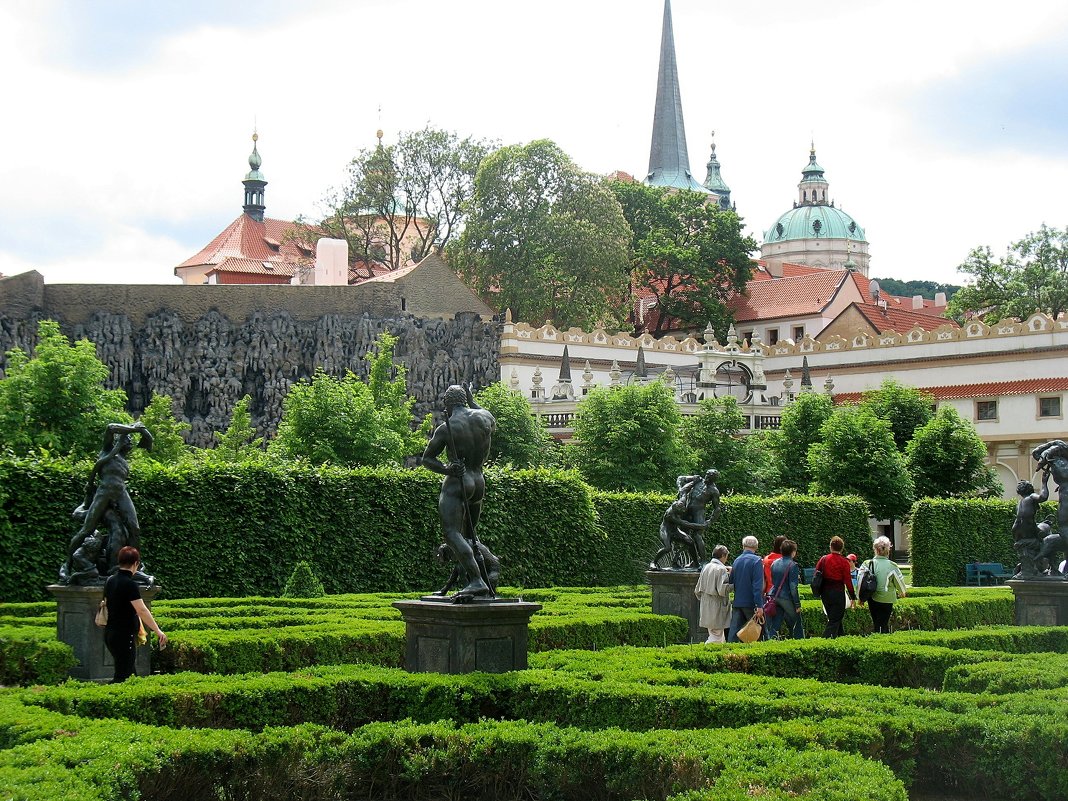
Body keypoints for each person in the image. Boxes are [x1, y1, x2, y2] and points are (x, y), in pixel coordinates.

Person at [420, 384, 497, 601]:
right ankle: (474, 580)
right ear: (466, 400)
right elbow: (487, 417)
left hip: (458, 482)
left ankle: (476, 581)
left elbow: (427, 459)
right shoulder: (485, 417)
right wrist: (473, 400)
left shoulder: (448, 427)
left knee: (452, 534)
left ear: (448, 404)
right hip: (479, 481)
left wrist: (447, 469)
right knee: (470, 536)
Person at [66, 422, 153, 579]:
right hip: (104, 491)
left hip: (120, 492)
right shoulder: (106, 450)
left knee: (135, 529)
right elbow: (110, 427)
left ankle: (135, 566)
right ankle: (66, 566)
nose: (130, 443)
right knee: (86, 530)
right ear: (120, 440)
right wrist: (134, 429)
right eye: (128, 440)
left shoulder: (124, 462)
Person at [103, 546, 166, 683]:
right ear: (136, 563)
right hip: (124, 636)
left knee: (130, 674)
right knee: (122, 678)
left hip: (110, 633)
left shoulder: (110, 581)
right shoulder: (129, 584)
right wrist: (158, 631)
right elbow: (142, 610)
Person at [859, 536, 907, 634]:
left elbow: (859, 582)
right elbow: (900, 583)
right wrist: (902, 592)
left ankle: (878, 640)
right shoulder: (892, 565)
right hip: (887, 598)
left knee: (876, 622)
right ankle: (884, 643)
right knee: (883, 623)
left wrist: (860, 598)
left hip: (871, 597)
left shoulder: (867, 563)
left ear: (875, 549)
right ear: (888, 550)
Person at [815, 536, 855, 638]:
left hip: (825, 593)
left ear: (831, 547)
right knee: (835, 619)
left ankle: (841, 638)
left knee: (834, 617)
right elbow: (848, 581)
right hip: (838, 593)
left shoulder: (823, 559)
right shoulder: (844, 562)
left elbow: (816, 574)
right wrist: (853, 597)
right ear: (842, 548)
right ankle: (825, 640)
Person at [727, 536, 765, 642]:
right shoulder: (757, 561)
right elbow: (757, 586)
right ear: (756, 547)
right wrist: (759, 605)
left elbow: (731, 581)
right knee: (756, 635)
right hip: (751, 603)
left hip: (738, 601)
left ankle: (729, 655)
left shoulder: (736, 560)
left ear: (743, 546)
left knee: (733, 635)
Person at [766, 539, 804, 640]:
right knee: (797, 622)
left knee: (776, 623)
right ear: (793, 552)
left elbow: (773, 581)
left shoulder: (774, 563)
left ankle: (771, 640)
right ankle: (800, 643)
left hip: (775, 596)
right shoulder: (793, 565)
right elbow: (793, 587)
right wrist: (797, 604)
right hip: (786, 597)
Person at [694, 544, 731, 642]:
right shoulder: (721, 569)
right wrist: (734, 583)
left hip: (706, 606)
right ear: (723, 556)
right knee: (716, 637)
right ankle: (705, 654)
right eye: (726, 556)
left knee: (716, 635)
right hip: (718, 608)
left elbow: (697, 590)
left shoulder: (706, 567)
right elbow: (723, 590)